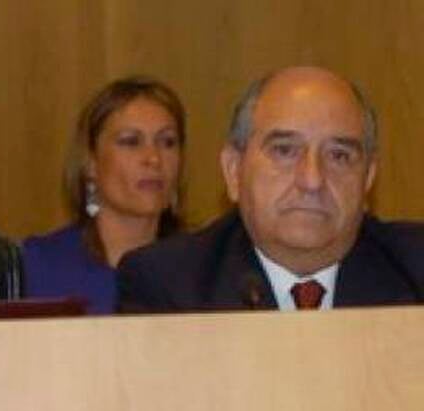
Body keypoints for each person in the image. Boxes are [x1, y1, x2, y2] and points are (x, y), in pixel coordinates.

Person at [118, 66, 424, 312]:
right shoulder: (168, 285)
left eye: (339, 156)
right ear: (233, 171)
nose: (312, 180)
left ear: (368, 178)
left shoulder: (413, 268)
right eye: (285, 151)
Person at [22, 77, 186, 314]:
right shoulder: (36, 267)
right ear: (90, 163)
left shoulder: (205, 270)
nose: (154, 158)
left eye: (168, 142)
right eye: (131, 142)